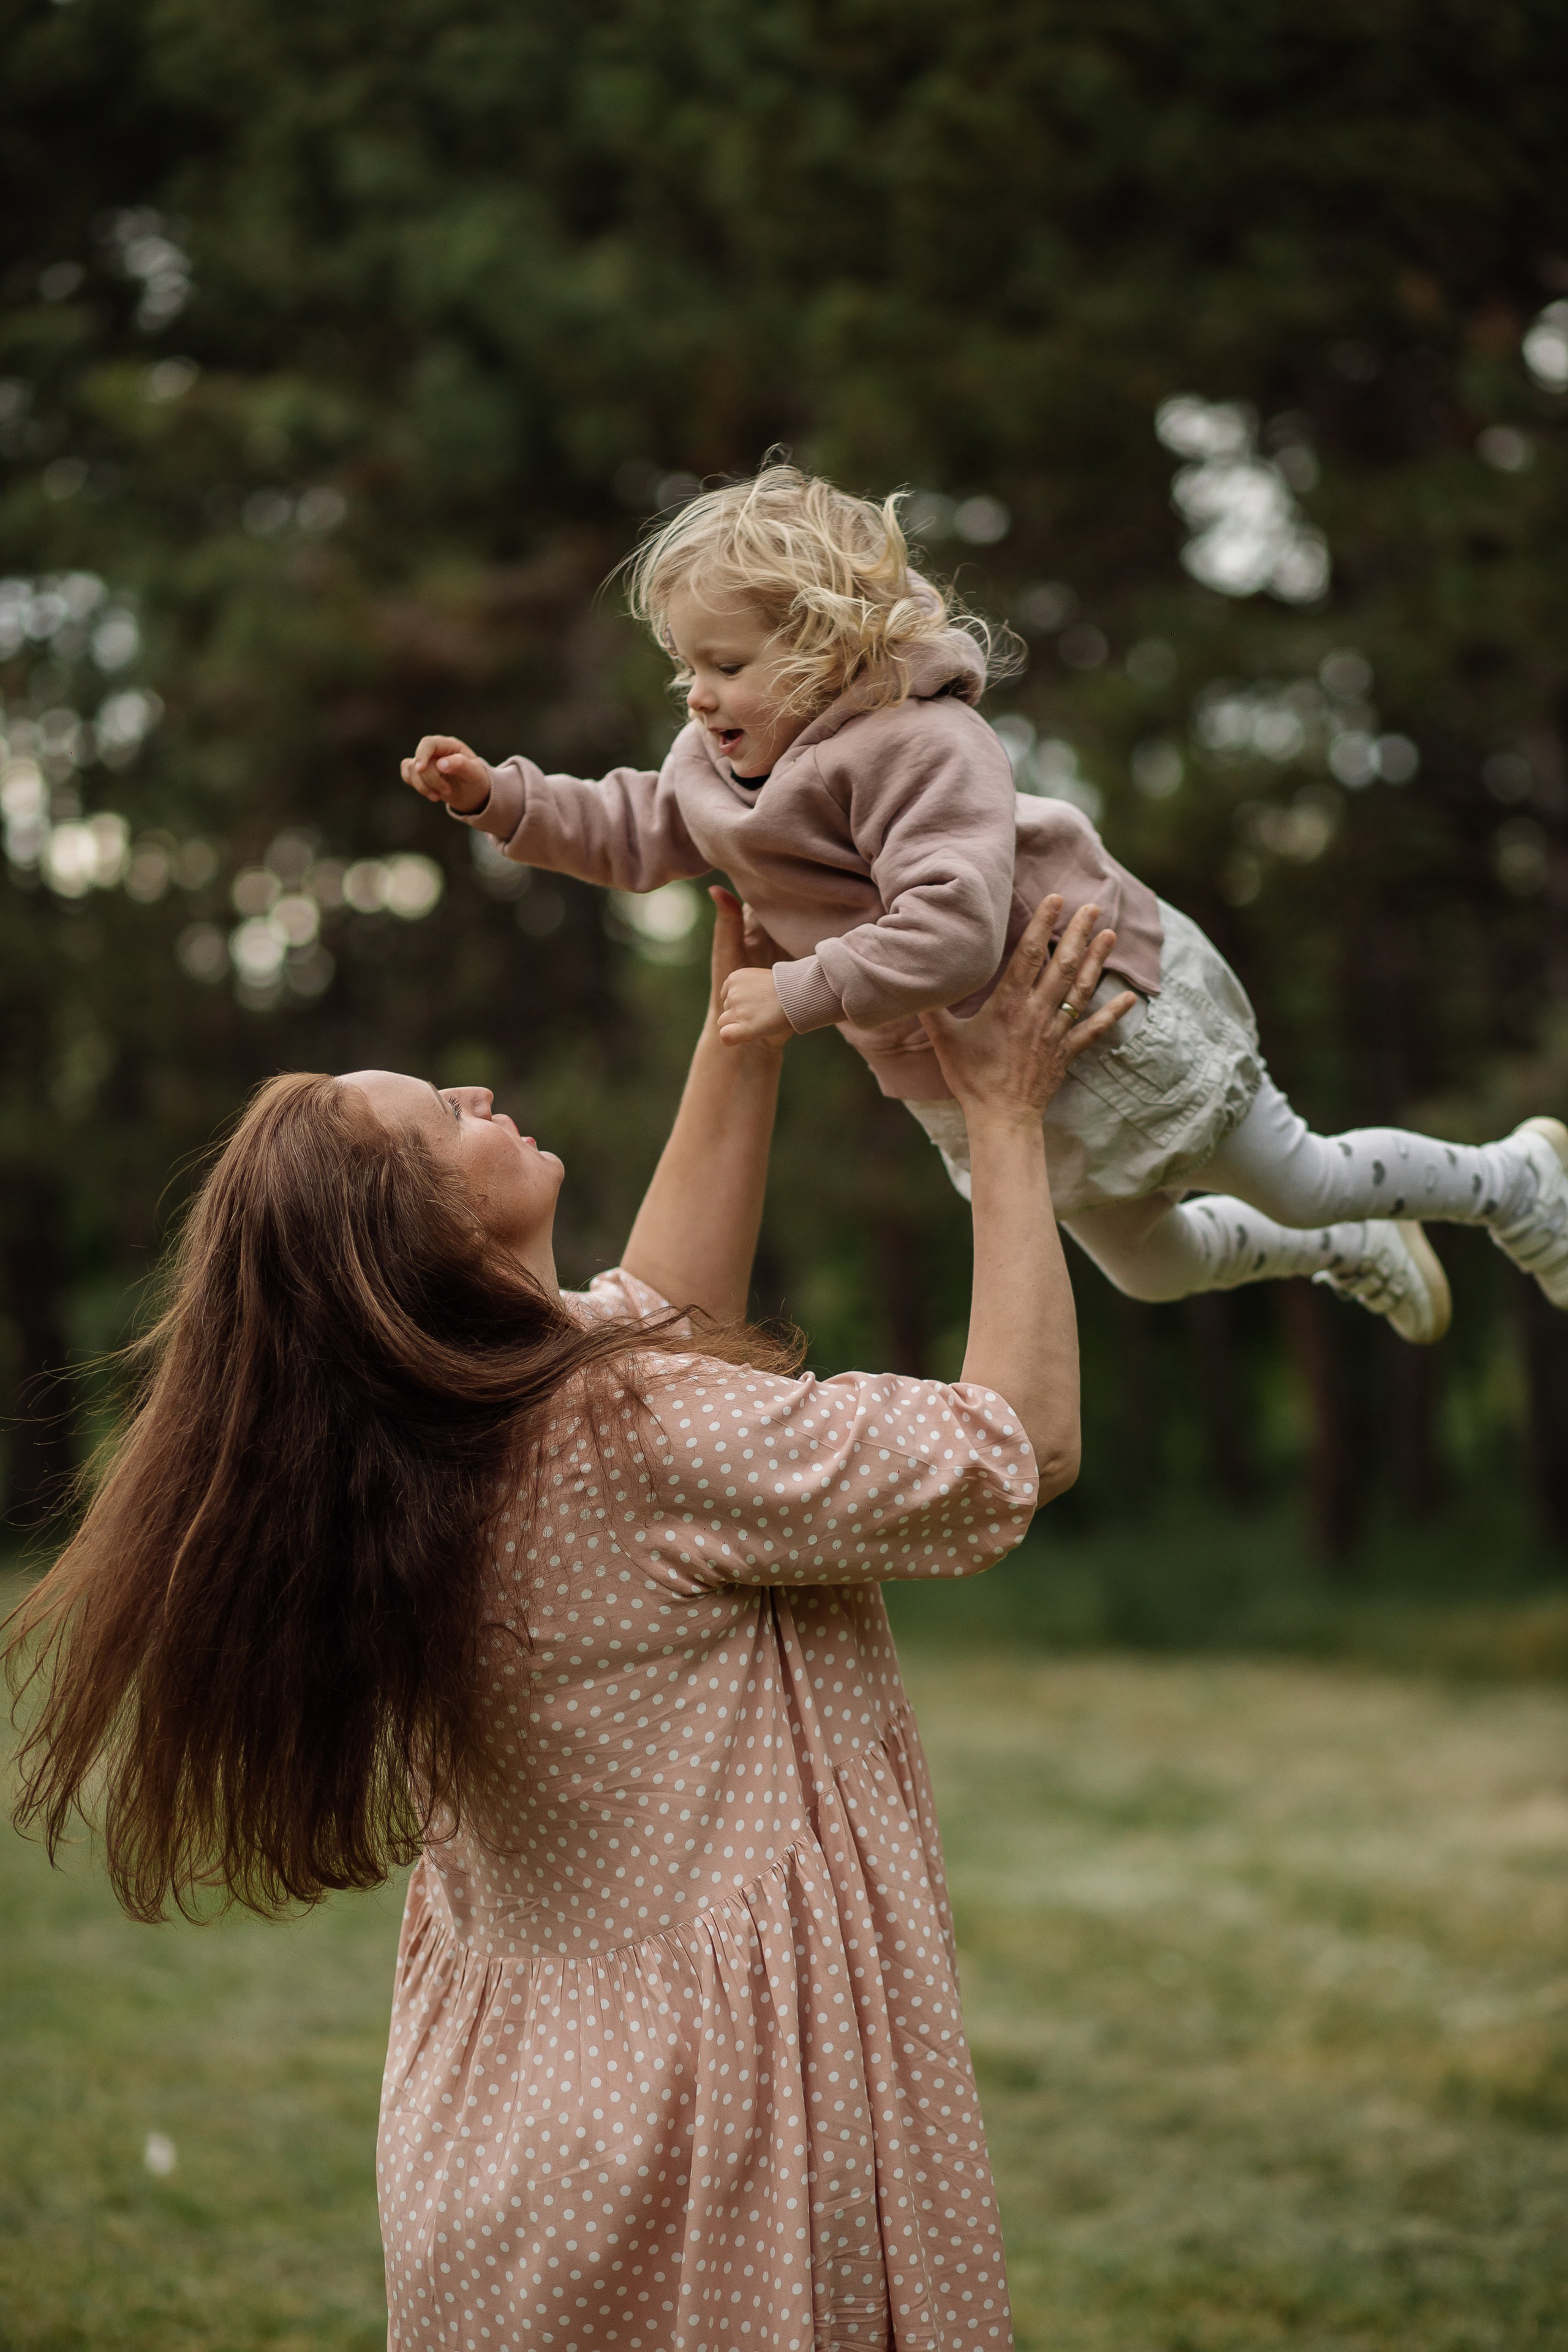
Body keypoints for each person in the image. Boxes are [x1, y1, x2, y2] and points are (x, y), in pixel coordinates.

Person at [7, 884, 1127, 2352]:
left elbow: (662, 1304)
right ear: (417, 1228)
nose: (479, 1093)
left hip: (508, 2126)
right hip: (710, 2121)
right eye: (441, 1119)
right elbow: (1013, 1448)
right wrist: (1004, 1116)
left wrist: (747, 1022)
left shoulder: (448, 1432)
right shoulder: (624, 1427)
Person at [402, 461, 1568, 1349]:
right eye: (686, 670)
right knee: (1150, 1269)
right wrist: (501, 800)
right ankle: (1347, 1248)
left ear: (826, 641)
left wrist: (802, 990)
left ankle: (1516, 1183)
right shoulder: (721, 762)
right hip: (974, 1071)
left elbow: (956, 927)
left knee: (1300, 1175)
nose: (699, 698)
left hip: (1094, 1016)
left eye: (726, 665)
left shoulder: (924, 745)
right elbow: (637, 824)